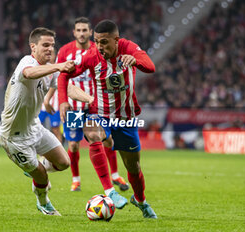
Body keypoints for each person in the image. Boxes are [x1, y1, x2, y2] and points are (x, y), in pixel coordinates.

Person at [58, 20, 157, 218]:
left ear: (116, 40)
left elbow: (151, 67)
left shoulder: (129, 48)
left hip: (125, 118)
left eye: (104, 42)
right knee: (92, 132)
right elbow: (63, 76)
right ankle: (109, 190)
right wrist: (62, 100)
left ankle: (140, 200)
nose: (99, 47)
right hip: (100, 113)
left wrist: (135, 60)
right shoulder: (92, 55)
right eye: (97, 42)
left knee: (134, 168)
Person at [0, 27, 93, 216]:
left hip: (34, 128)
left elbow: (69, 88)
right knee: (41, 175)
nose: (50, 49)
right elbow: (30, 73)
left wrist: (90, 100)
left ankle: (37, 168)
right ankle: (43, 202)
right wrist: (58, 66)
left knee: (64, 163)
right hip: (13, 136)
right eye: (45, 45)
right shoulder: (27, 62)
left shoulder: (51, 70)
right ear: (33, 47)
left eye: (52, 45)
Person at [56, 17, 129, 192]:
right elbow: (58, 76)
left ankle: (115, 175)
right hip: (74, 107)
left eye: (84, 30)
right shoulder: (65, 51)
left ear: (90, 32)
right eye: (78, 30)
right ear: (74, 32)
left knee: (108, 139)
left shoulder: (100, 49)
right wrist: (56, 99)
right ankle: (76, 180)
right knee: (73, 144)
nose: (81, 33)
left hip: (96, 105)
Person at [38, 49, 63, 143]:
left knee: (55, 129)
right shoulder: (41, 68)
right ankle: (40, 151)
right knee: (36, 127)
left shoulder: (58, 69)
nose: (49, 56)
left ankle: (59, 151)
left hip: (54, 105)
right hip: (41, 105)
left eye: (52, 54)